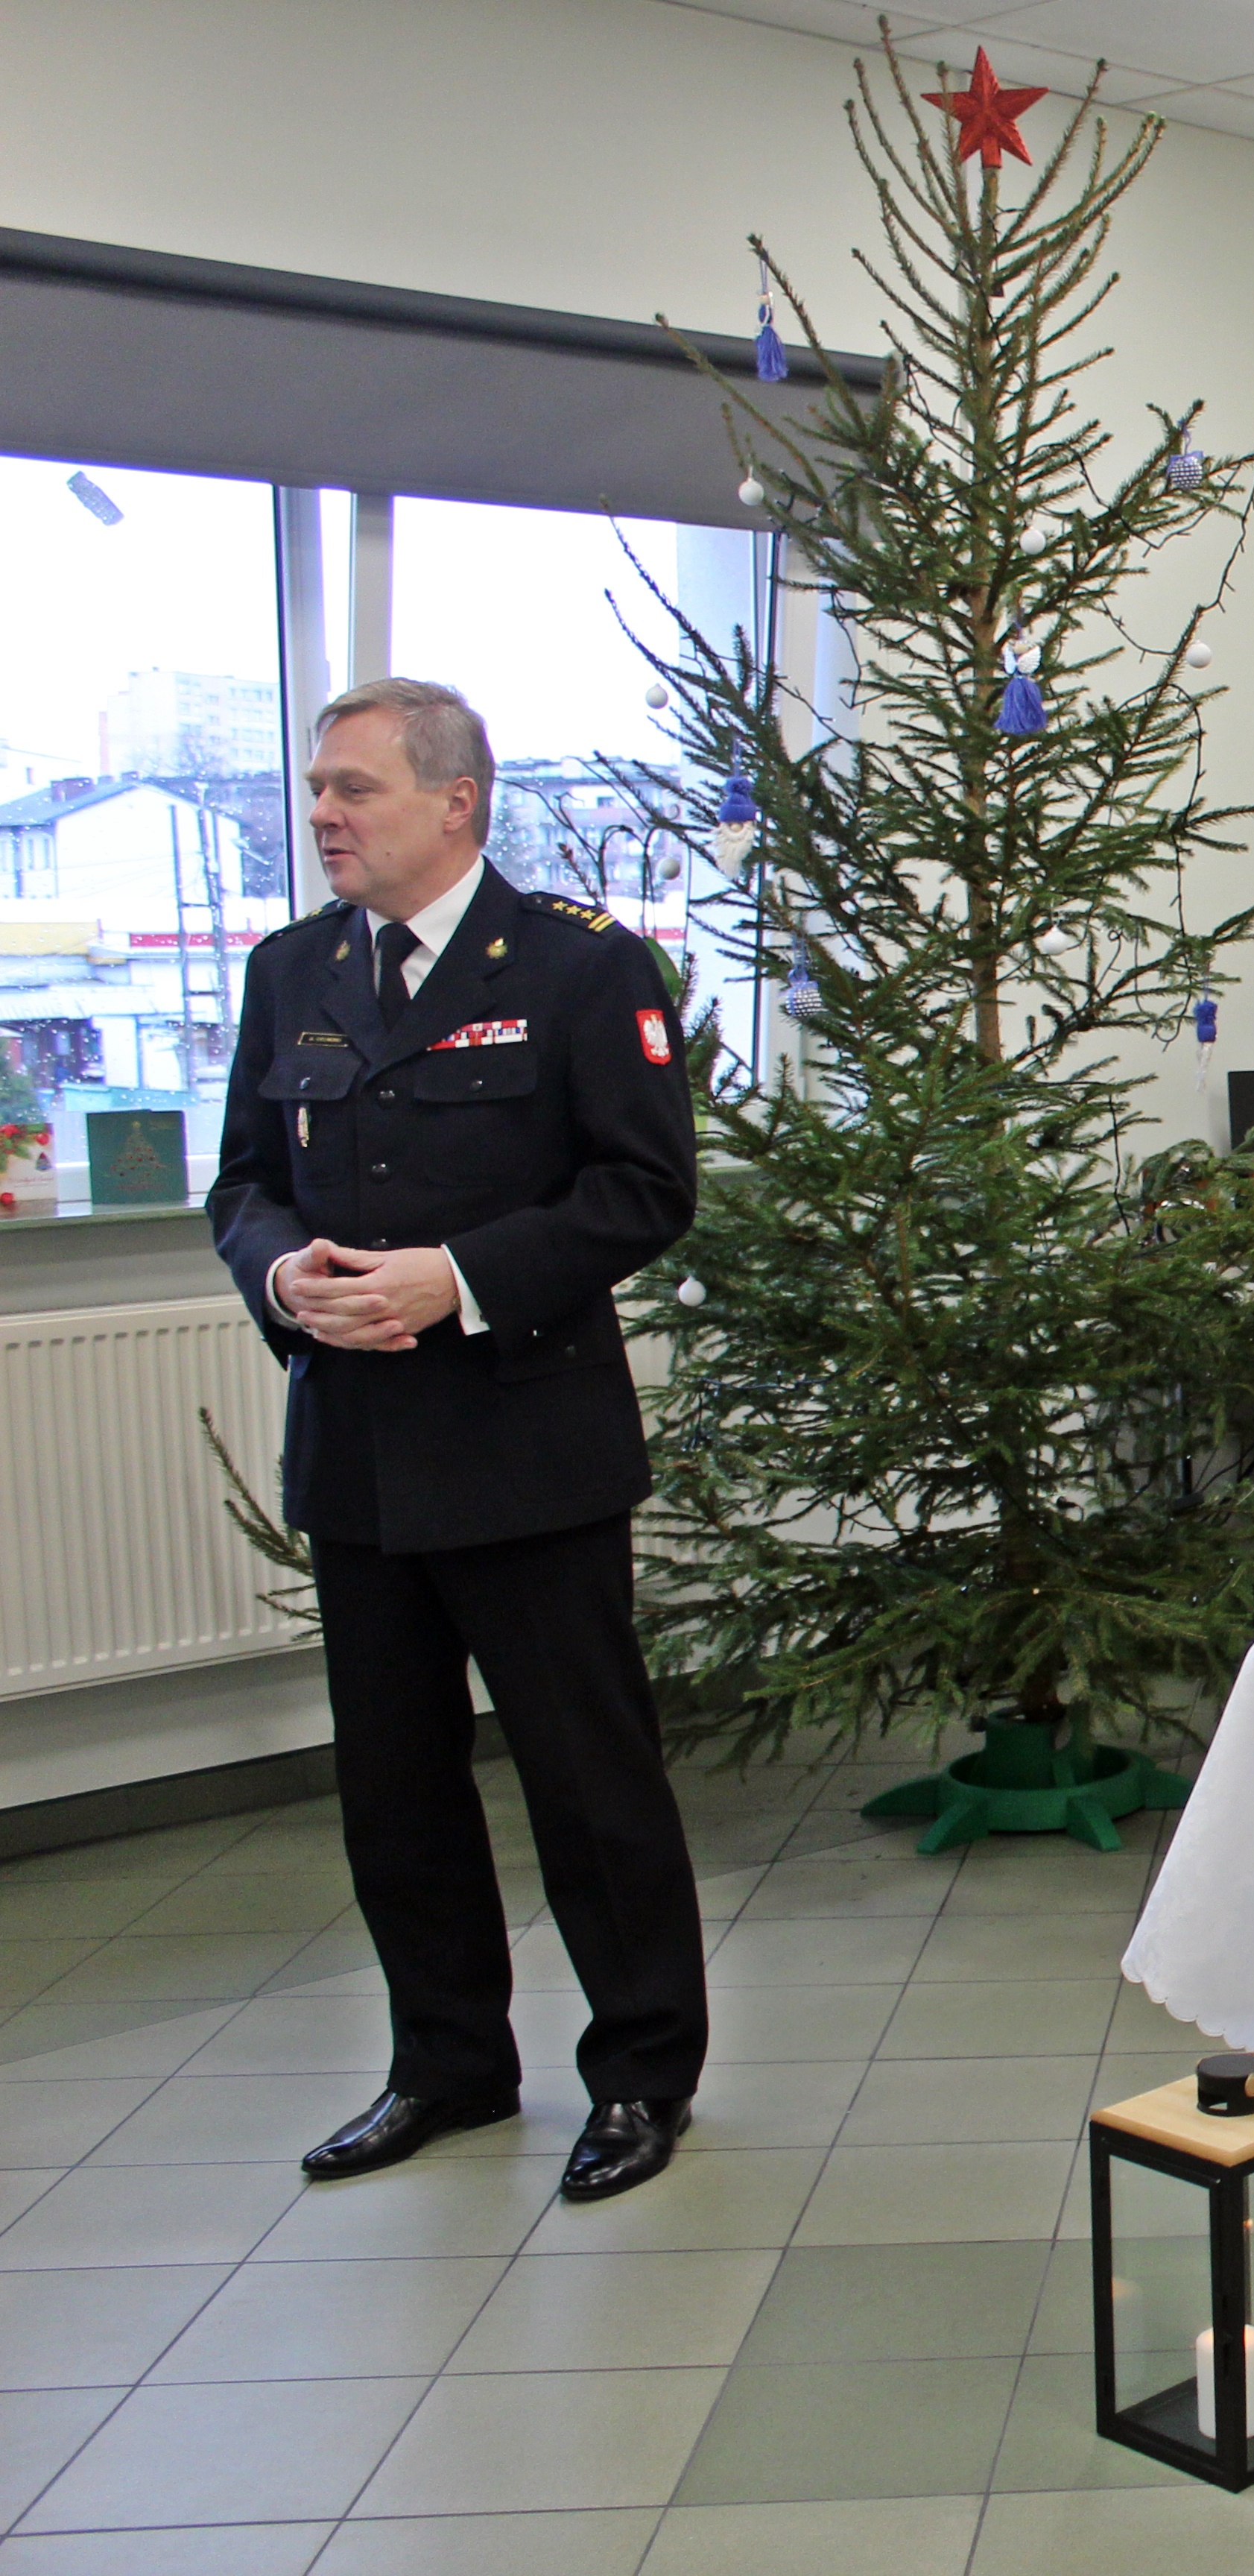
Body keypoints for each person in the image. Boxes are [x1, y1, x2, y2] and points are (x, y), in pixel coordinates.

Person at [209, 678, 706, 2203]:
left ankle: (641, 2076)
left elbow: (644, 1190)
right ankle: (446, 2064)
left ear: (456, 802)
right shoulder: (293, 969)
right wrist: (283, 1278)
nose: (323, 814)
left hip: (526, 1445)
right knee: (395, 1789)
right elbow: (243, 1185)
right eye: (317, 789)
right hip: (358, 1450)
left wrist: (461, 1279)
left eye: (353, 788)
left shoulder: (578, 967)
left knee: (588, 1784)